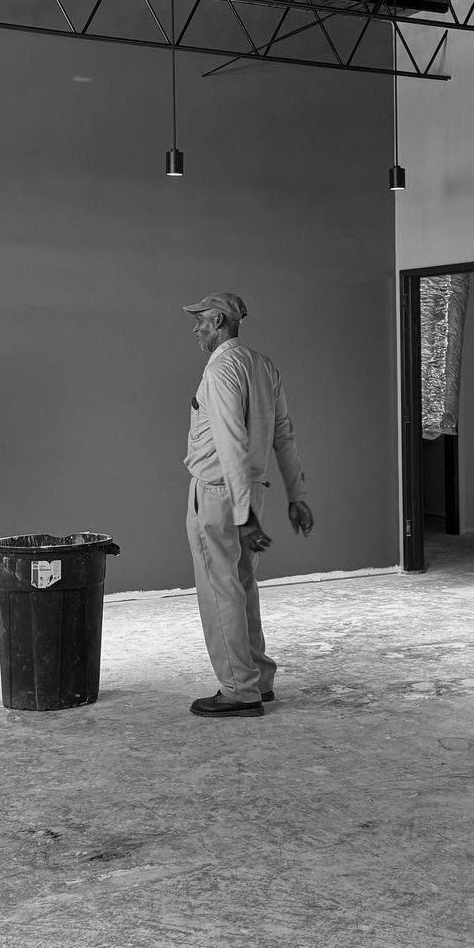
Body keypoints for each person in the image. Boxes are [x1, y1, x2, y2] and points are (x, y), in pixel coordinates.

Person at [181, 292, 314, 718]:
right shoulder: (263, 365)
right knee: (242, 586)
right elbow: (284, 435)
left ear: (219, 320)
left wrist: (242, 514)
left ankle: (239, 689)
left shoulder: (222, 369)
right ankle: (258, 677)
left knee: (220, 591)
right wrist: (297, 496)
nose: (196, 327)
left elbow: (230, 441)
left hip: (221, 494)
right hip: (252, 489)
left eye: (201, 320)